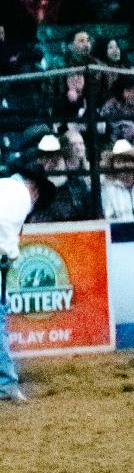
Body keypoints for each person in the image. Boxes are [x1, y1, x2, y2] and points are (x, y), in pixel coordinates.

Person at [0, 162, 48, 402]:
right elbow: (5, 228)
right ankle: (6, 383)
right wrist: (11, 254)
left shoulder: (5, 187)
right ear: (35, 190)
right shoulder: (20, 197)